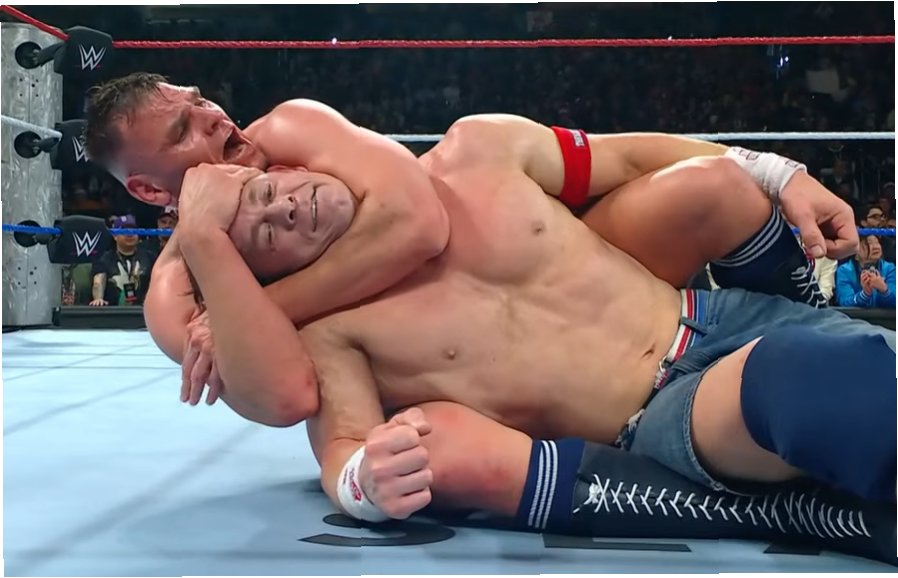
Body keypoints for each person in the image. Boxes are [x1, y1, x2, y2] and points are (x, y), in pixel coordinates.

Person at [177, 114, 894, 528]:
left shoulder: (475, 149)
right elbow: (345, 450)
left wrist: (778, 172)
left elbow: (627, 155)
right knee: (810, 384)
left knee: (848, 352)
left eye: (267, 193)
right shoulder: (331, 331)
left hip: (717, 310)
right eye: (265, 235)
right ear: (268, 278)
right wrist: (365, 484)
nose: (285, 209)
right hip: (670, 407)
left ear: (285, 166)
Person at [83, 73, 857, 420]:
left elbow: (421, 224)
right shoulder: (178, 297)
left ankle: (799, 318)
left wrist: (777, 170)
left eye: (200, 101)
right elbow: (286, 397)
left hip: (540, 270)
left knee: (713, 189)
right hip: (466, 371)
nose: (215, 119)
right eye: (184, 130)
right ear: (148, 190)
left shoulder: (290, 129)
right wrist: (209, 247)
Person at [89, 215, 156, 307]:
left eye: (133, 231)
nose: (130, 234)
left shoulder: (149, 257)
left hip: (143, 309)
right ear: (115, 236)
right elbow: (98, 281)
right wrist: (98, 298)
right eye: (125, 231)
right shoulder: (104, 258)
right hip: (113, 310)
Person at [836, 235, 896, 308]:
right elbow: (844, 302)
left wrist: (884, 290)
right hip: (853, 315)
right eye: (869, 243)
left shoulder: (889, 268)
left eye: (877, 242)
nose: (876, 247)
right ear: (855, 253)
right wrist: (865, 294)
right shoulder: (844, 270)